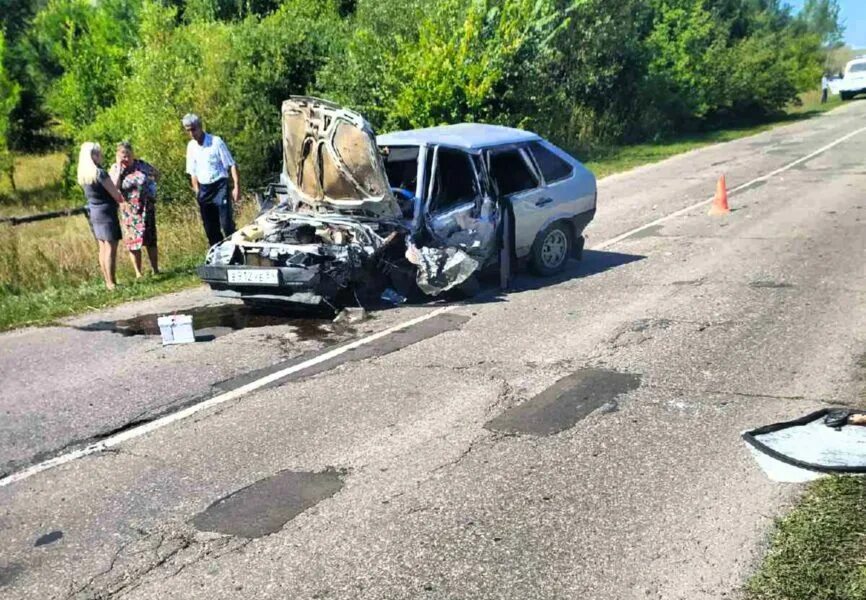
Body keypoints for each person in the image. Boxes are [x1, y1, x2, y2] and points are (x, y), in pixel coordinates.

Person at [182, 113, 239, 246]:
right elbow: (192, 172)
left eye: (193, 129)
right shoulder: (191, 147)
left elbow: (231, 164)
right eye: (188, 130)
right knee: (210, 227)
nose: (192, 133)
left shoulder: (215, 142)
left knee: (226, 224)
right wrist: (197, 191)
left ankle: (234, 249)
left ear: (200, 127)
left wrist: (236, 186)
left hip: (220, 185)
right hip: (204, 188)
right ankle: (218, 253)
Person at [77, 142, 124, 290]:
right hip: (106, 211)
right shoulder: (100, 173)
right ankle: (112, 282)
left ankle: (107, 281)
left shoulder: (84, 175)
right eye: (99, 153)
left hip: (94, 212)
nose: (101, 156)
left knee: (102, 247)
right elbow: (115, 193)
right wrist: (117, 172)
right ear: (93, 156)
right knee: (111, 246)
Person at [109, 141, 160, 278]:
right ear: (118, 156)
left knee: (151, 240)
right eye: (123, 156)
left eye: (128, 155)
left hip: (146, 207)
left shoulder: (141, 164)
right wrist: (119, 169)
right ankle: (138, 273)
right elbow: (114, 187)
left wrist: (151, 188)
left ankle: (155, 269)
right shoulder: (115, 169)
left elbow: (156, 173)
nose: (126, 159)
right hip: (129, 211)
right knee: (133, 243)